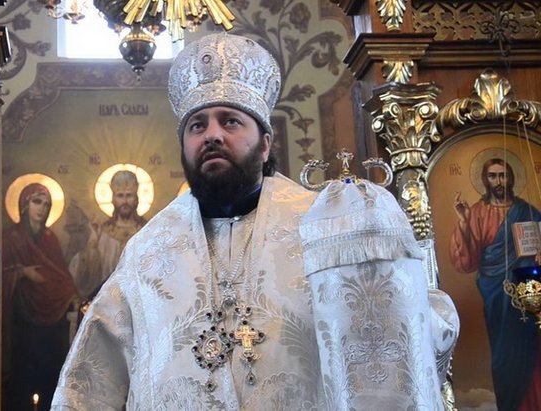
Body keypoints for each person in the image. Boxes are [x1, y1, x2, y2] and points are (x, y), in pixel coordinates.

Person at [53, 33, 458, 409]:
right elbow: (89, 382)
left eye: (230, 121)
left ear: (265, 144)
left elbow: (403, 339)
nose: (211, 134)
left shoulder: (326, 229)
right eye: (197, 126)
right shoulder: (147, 250)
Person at [450, 158, 541, 410]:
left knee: (532, 350)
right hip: (495, 295)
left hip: (528, 291)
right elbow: (465, 262)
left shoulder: (529, 212)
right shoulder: (477, 213)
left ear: (512, 178)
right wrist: (464, 222)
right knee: (503, 356)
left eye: (503, 175)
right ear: (485, 180)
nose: (498, 181)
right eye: (493, 176)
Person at [2, 183, 77, 411]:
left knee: (49, 373)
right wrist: (23, 273)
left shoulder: (49, 238)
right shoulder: (11, 238)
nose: (42, 208)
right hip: (22, 322)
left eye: (46, 204)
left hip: (52, 324)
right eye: (37, 201)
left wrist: (68, 292)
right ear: (25, 204)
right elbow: (0, 276)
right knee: (23, 376)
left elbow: (61, 277)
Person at [69, 170, 147, 300]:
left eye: (129, 195)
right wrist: (92, 246)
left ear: (136, 198)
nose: (125, 201)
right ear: (113, 199)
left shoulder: (146, 230)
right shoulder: (103, 232)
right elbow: (91, 274)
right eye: (120, 196)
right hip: (108, 302)